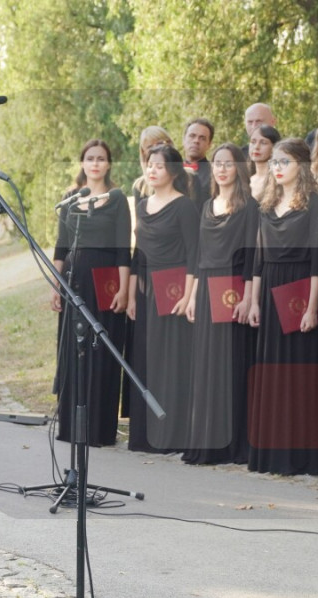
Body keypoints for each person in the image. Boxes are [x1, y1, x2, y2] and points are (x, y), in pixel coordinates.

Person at [246, 138, 318, 476]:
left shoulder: (316, 204)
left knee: (299, 372)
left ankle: (299, 455)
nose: (278, 168)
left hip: (300, 288)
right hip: (269, 290)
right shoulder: (265, 204)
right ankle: (271, 451)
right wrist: (254, 301)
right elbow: (257, 257)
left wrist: (312, 306)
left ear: (303, 166)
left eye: (285, 162)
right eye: (275, 162)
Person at [183, 144, 258, 465]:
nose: (222, 169)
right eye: (217, 164)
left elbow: (252, 257)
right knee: (206, 366)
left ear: (239, 168)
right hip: (205, 290)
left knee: (230, 366)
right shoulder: (206, 205)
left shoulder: (250, 207)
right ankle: (206, 440)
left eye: (228, 164)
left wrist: (248, 298)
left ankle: (231, 444)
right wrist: (192, 296)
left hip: (233, 289)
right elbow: (200, 255)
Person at [51, 139, 130, 447]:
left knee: (101, 349)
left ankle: (98, 429)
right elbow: (61, 247)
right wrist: (56, 285)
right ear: (82, 163)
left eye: (101, 158)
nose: (95, 163)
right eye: (90, 158)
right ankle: (71, 427)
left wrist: (124, 289)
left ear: (108, 164)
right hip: (74, 282)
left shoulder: (117, 199)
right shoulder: (70, 198)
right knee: (74, 350)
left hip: (105, 283)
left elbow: (124, 248)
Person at [126, 143, 199, 452]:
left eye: (159, 165)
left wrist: (189, 295)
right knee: (145, 360)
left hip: (173, 291)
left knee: (170, 362)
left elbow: (195, 254)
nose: (152, 170)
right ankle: (144, 435)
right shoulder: (142, 205)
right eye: (149, 164)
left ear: (173, 171)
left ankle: (171, 435)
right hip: (144, 293)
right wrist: (131, 296)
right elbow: (137, 255)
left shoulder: (184, 206)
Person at [183, 118, 215, 210]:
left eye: (202, 138)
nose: (196, 141)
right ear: (184, 139)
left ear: (209, 144)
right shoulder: (170, 170)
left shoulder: (215, 173)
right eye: (192, 136)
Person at [248, 125, 281, 201]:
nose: (256, 147)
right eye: (253, 142)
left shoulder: (279, 180)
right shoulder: (245, 181)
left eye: (263, 143)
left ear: (274, 147)